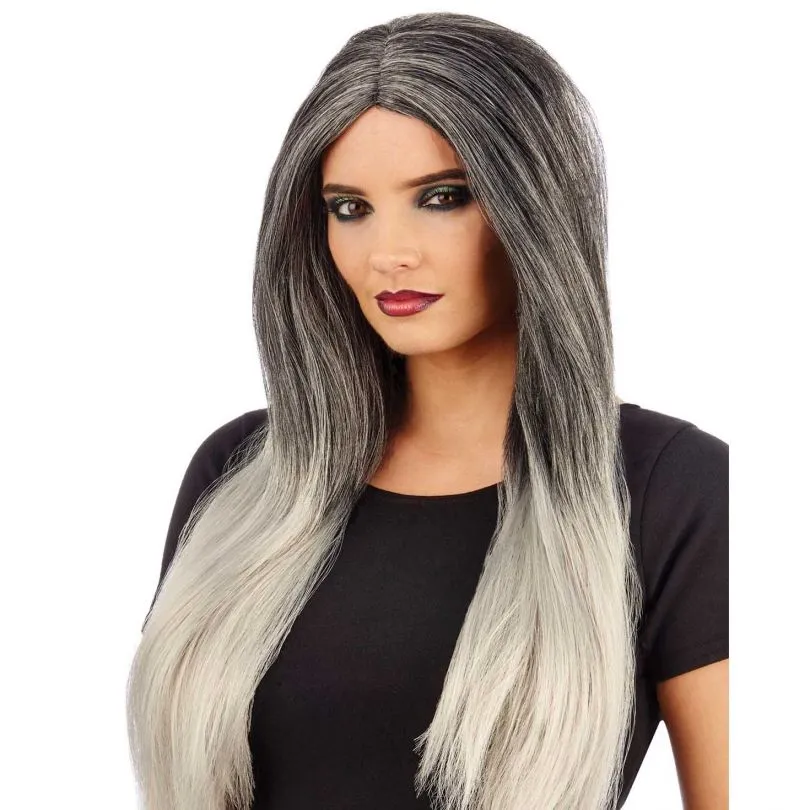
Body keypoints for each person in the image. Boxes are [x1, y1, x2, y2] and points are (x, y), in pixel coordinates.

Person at [126, 12, 729, 810]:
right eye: (350, 208)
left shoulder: (673, 492)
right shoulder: (242, 476)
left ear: (535, 205)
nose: (389, 253)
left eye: (442, 197)